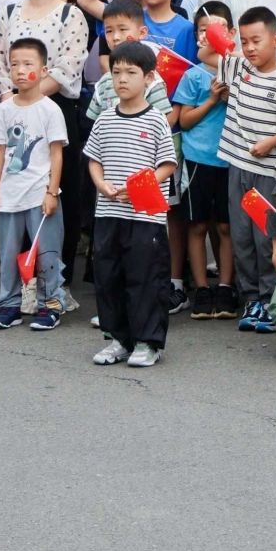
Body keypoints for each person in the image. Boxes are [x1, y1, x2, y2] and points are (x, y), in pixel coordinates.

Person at [84, 40, 178, 369]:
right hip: (108, 212)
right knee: (109, 277)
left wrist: (139, 187)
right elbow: (94, 159)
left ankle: (147, 342)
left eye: (130, 72)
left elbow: (168, 164)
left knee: (146, 278)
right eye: (116, 72)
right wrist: (101, 184)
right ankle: (118, 339)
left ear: (149, 77)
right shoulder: (104, 119)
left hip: (146, 216)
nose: (122, 79)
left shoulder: (156, 120)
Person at [209, 5, 276, 335]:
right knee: (241, 235)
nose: (249, 48)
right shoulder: (239, 66)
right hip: (237, 166)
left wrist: (271, 142)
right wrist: (222, 37)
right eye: (244, 41)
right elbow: (206, 53)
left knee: (265, 238)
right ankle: (251, 299)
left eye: (256, 40)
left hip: (267, 171)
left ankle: (270, 299)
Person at [0, 38, 69, 331]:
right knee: (8, 254)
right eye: (14, 65)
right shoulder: (4, 109)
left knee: (47, 253)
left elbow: (57, 153)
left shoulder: (50, 109)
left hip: (39, 194)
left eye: (27, 64)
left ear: (44, 70)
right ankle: (9, 305)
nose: (20, 70)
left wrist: (51, 192)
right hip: (9, 195)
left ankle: (50, 304)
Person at [173, 3, 236, 321]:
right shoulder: (193, 75)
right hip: (198, 159)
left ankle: (225, 286)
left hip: (230, 159)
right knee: (197, 225)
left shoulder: (239, 71)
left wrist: (230, 96)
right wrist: (212, 99)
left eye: (219, 28)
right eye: (204, 29)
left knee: (225, 226)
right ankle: (201, 288)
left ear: (232, 34)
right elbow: (183, 121)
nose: (210, 35)